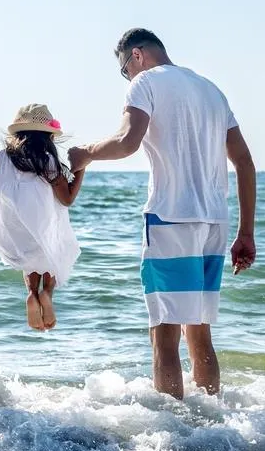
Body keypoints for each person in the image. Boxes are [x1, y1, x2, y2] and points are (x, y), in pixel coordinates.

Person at [68, 29, 256, 400]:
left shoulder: (145, 83)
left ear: (136, 55)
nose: (127, 77)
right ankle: (211, 427)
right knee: (198, 331)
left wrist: (85, 154)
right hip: (215, 222)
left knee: (164, 333)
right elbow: (245, 162)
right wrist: (246, 232)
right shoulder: (211, 89)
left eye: (125, 69)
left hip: (171, 217)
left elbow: (126, 143)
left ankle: (174, 437)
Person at [0, 104, 85, 330]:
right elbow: (67, 199)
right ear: (48, 137)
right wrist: (81, 168)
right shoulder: (48, 161)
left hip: (13, 232)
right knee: (52, 257)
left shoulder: (4, 157)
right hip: (42, 229)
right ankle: (46, 293)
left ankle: (32, 293)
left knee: (29, 262)